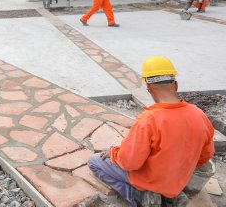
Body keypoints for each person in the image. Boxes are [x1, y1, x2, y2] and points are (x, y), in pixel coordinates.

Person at [87, 56, 215, 206]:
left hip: (150, 180)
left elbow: (130, 163)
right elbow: (204, 157)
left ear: (149, 89)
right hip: (176, 181)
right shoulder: (199, 115)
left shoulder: (149, 120)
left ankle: (140, 197)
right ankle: (171, 197)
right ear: (176, 85)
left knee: (94, 162)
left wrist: (114, 152)